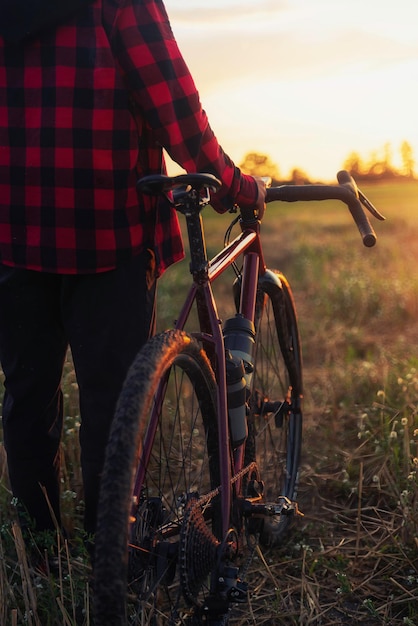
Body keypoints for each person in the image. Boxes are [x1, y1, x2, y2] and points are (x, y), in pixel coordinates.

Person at [0, 0, 266, 544]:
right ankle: (112, 556)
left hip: (14, 236)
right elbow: (177, 108)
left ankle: (42, 553)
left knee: (27, 399)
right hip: (108, 236)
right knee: (114, 406)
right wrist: (233, 184)